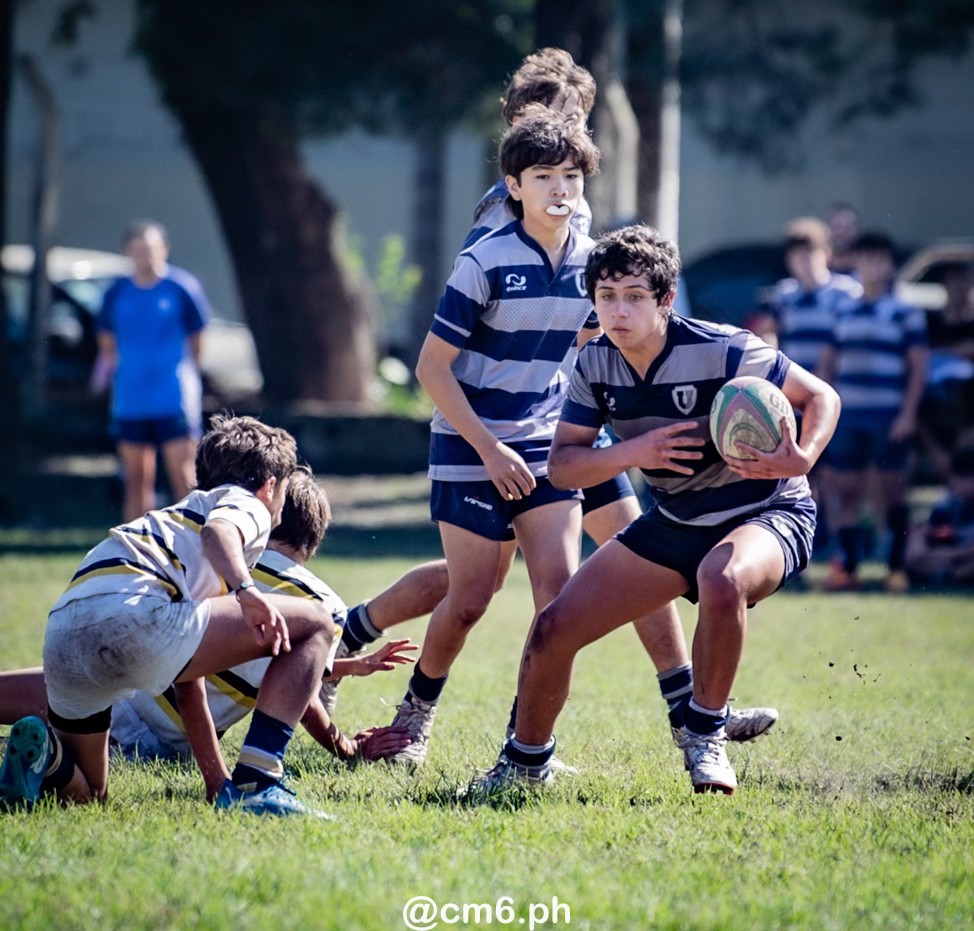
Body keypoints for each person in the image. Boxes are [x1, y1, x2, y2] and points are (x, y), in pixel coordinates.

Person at [334, 51, 776, 754]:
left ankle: (676, 714)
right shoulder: (498, 224)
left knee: (620, 558)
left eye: (580, 124)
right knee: (470, 589)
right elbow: (448, 354)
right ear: (522, 131)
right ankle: (373, 656)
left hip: (561, 422)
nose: (574, 138)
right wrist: (493, 436)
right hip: (486, 428)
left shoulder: (579, 216)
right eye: (559, 123)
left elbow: (592, 322)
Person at [469, 224, 840, 796]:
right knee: (553, 628)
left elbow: (820, 396)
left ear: (665, 300)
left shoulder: (726, 347)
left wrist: (802, 456)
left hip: (766, 511)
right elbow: (564, 466)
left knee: (722, 579)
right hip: (676, 520)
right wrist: (635, 452)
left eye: (635, 297)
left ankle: (705, 734)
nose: (619, 312)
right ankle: (524, 763)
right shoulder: (596, 364)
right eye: (607, 297)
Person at [0, 469, 415, 800]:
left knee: (51, 691)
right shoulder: (320, 604)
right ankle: (51, 762)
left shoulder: (212, 557)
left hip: (120, 673)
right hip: (160, 733)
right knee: (88, 788)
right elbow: (291, 680)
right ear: (313, 540)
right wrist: (346, 747)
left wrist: (348, 666)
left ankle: (45, 753)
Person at [0, 415, 338, 818]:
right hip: (134, 613)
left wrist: (216, 782)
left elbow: (188, 683)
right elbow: (220, 533)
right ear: (270, 486)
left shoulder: (175, 523)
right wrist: (248, 592)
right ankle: (260, 782)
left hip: (66, 627)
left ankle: (47, 758)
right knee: (315, 622)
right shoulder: (248, 504)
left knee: (89, 795)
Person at [819, 232, 929, 593]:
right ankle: (848, 567)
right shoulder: (842, 310)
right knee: (846, 491)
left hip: (888, 415)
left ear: (891, 265)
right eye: (865, 259)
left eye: (879, 259)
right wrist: (826, 407)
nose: (871, 266)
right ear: (856, 263)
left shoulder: (905, 312)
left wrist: (908, 414)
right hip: (849, 416)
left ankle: (896, 567)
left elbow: (918, 367)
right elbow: (828, 364)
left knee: (892, 492)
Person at [91, 220, 210, 522]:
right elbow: (106, 341)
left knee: (184, 479)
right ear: (128, 251)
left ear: (165, 249)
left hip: (173, 397)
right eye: (139, 249)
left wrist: (190, 378)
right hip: (131, 399)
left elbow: (198, 339)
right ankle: (137, 551)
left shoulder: (181, 287)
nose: (146, 255)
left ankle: (191, 551)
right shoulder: (116, 292)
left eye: (152, 248)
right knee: (136, 480)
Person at [917, 261, 974, 480]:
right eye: (953, 281)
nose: (959, 287)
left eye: (964, 281)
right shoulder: (928, 322)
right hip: (934, 402)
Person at [905, 445, 974, 587]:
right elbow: (927, 531)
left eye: (968, 478)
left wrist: (954, 555)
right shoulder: (949, 501)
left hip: (960, 556)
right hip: (952, 554)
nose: (963, 484)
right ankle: (950, 574)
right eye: (960, 478)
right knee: (914, 551)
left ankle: (951, 576)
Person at [824, 202, 861, 275]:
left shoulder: (866, 270)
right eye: (836, 227)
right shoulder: (815, 268)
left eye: (848, 227)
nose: (841, 233)